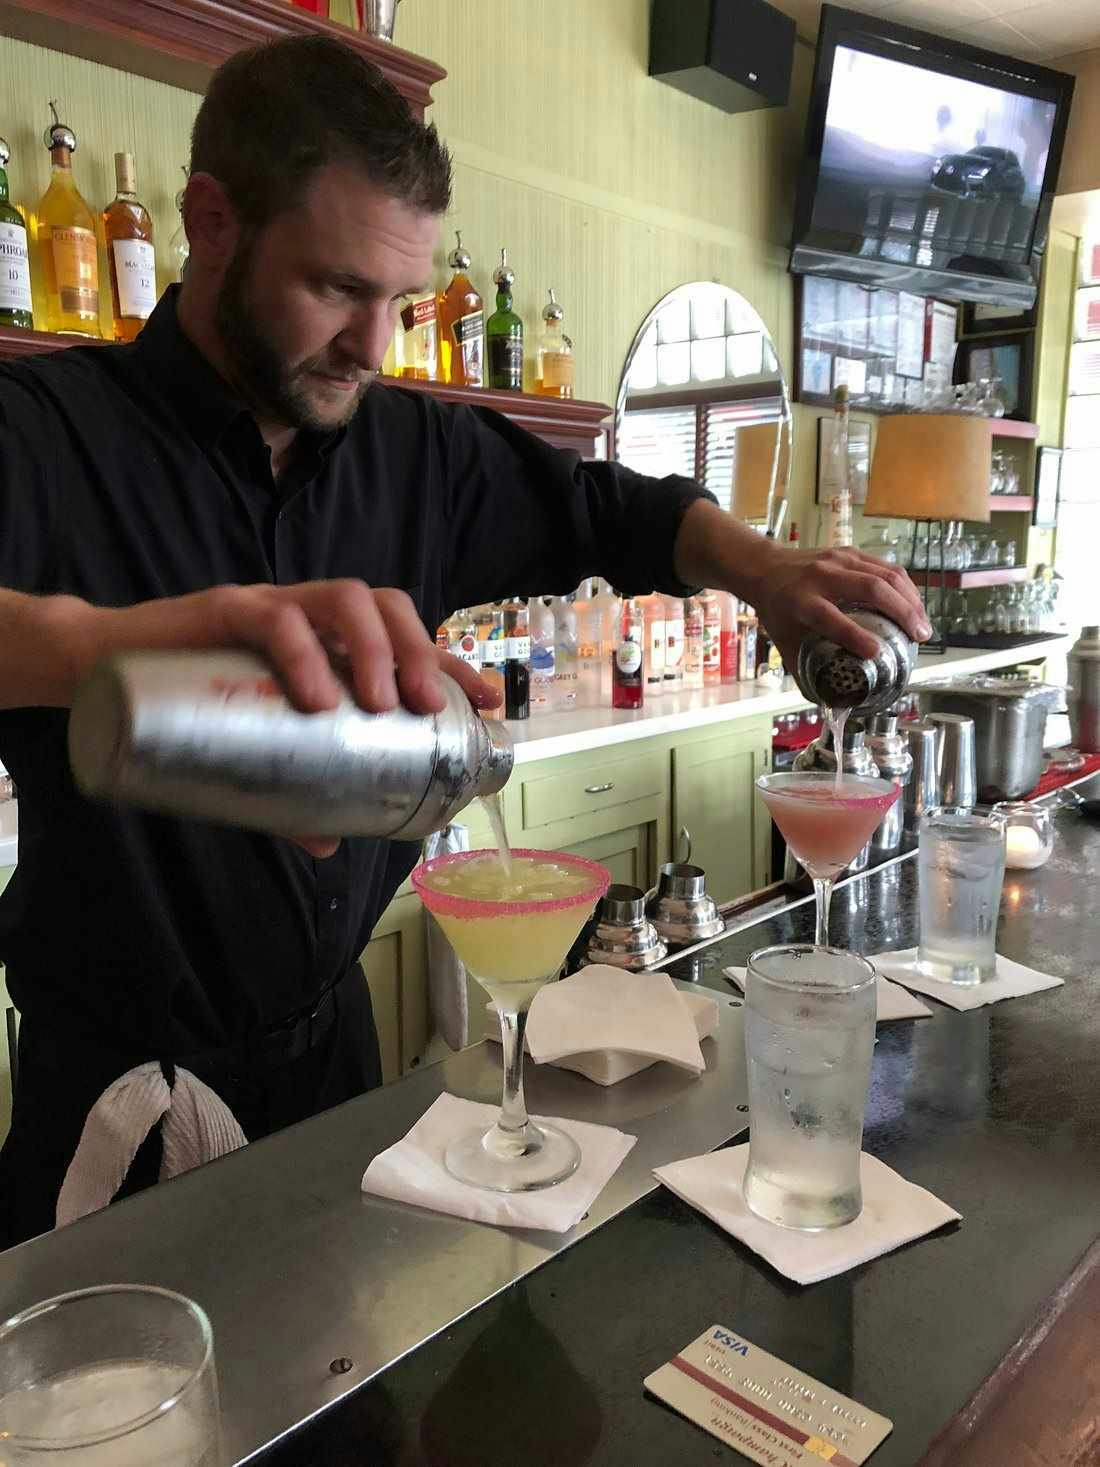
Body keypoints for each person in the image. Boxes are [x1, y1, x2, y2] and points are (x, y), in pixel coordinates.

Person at [0, 36, 929, 1246]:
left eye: (401, 299)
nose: (373, 346)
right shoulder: (44, 435)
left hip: (338, 1065)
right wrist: (104, 645)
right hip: (116, 1102)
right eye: (336, 289)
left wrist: (765, 568)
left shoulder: (414, 453)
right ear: (212, 222)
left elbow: (618, 509)